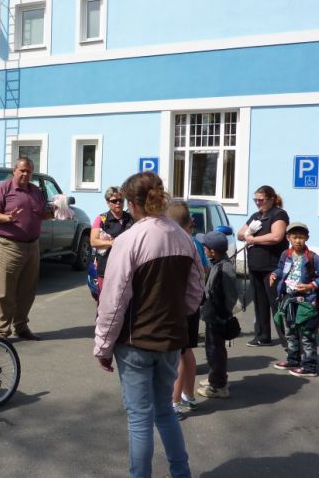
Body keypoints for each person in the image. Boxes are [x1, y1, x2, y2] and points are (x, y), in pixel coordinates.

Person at [94, 172, 204, 478]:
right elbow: (196, 293)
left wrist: (103, 346)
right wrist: (174, 315)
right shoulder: (183, 237)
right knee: (165, 412)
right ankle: (181, 474)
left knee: (140, 420)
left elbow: (113, 301)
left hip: (135, 343)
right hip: (170, 341)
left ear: (132, 203)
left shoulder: (129, 239)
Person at [0, 157, 53, 341]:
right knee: (4, 291)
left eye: (29, 171)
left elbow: (40, 215)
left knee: (27, 291)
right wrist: (8, 218)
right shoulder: (3, 189)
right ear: (14, 171)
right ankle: (2, 332)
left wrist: (56, 212)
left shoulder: (36, 191)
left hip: (32, 246)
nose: (25, 174)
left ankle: (21, 327)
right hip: (8, 245)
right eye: (22, 170)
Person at [270, 222, 319, 378]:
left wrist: (310, 285)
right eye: (295, 237)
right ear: (288, 238)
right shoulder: (286, 254)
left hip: (306, 302)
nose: (298, 241)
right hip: (288, 299)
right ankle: (293, 360)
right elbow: (281, 268)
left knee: (306, 335)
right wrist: (274, 274)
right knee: (290, 332)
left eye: (301, 237)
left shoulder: (312, 257)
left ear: (307, 238)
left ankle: (309, 366)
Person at [165, 201, 207, 417]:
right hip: (192, 305)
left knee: (178, 355)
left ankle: (174, 403)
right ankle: (188, 396)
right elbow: (203, 272)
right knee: (187, 351)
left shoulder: (179, 243)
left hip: (181, 307)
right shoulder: (194, 242)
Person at [237, 185, 289, 348]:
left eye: (261, 200)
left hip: (272, 266)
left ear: (272, 199)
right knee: (259, 303)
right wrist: (248, 233)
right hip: (256, 266)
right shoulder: (256, 216)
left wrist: (252, 239)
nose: (258, 203)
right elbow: (240, 234)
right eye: (255, 200)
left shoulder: (279, 214)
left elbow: (277, 236)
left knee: (276, 303)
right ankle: (262, 336)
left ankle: (287, 340)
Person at [196, 231, 237, 399]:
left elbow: (225, 296)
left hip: (217, 318)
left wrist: (221, 316)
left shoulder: (223, 269)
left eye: (205, 247)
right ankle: (216, 376)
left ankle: (218, 386)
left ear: (212, 251)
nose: (203, 249)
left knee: (215, 350)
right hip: (213, 316)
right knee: (212, 348)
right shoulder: (218, 263)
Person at [90, 186, 133, 297]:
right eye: (114, 201)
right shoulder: (101, 219)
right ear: (108, 202)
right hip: (106, 266)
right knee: (105, 300)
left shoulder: (131, 218)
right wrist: (112, 243)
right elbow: (93, 241)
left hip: (126, 266)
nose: (118, 203)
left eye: (121, 200)